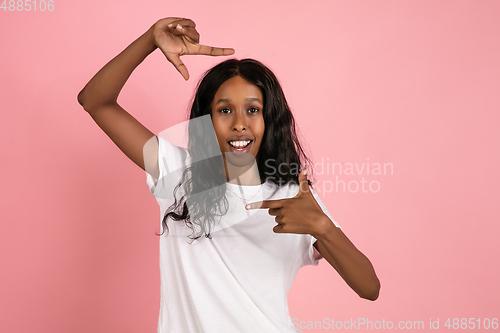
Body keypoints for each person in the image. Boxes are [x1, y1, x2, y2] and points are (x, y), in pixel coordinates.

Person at [78, 17, 380, 333]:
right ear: (206, 120)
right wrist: (149, 41)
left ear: (269, 120)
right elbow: (95, 101)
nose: (239, 123)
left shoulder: (292, 195)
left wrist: (323, 228)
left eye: (253, 110)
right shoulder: (176, 173)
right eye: (224, 110)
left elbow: (369, 288)